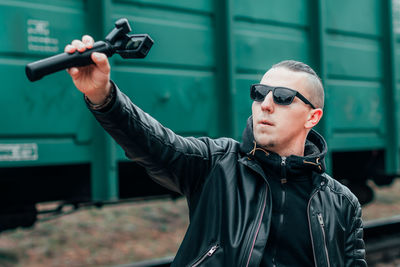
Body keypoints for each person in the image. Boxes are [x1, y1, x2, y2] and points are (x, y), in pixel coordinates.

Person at [65, 35, 367, 267]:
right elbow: (154, 143)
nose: (266, 104)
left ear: (312, 117)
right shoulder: (217, 164)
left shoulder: (341, 203)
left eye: (284, 97)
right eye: (259, 93)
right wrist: (102, 95)